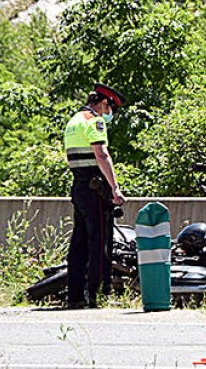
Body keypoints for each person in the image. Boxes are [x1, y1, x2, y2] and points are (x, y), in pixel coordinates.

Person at [64, 83, 127, 309]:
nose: (109, 114)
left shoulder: (73, 121)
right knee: (99, 243)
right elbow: (101, 154)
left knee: (79, 243)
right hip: (95, 189)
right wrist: (115, 188)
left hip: (79, 186)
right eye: (109, 109)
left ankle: (75, 295)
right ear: (103, 103)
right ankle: (97, 294)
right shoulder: (94, 121)